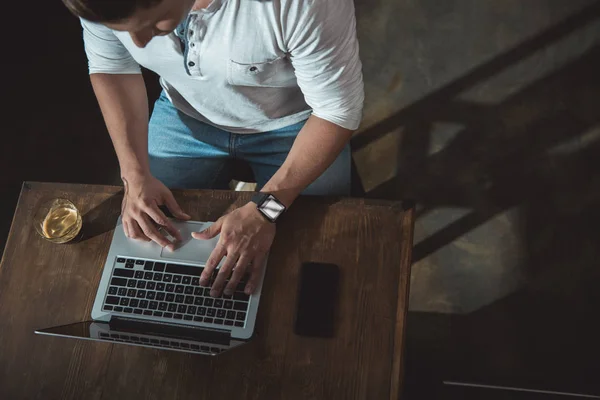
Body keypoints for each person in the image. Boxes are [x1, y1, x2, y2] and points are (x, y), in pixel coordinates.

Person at [62, 0, 364, 297]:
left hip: (297, 124)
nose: (137, 43)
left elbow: (336, 112)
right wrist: (134, 173)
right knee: (151, 245)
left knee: (317, 254)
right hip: (184, 115)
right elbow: (112, 66)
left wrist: (266, 209)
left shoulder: (301, 4)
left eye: (153, 23)